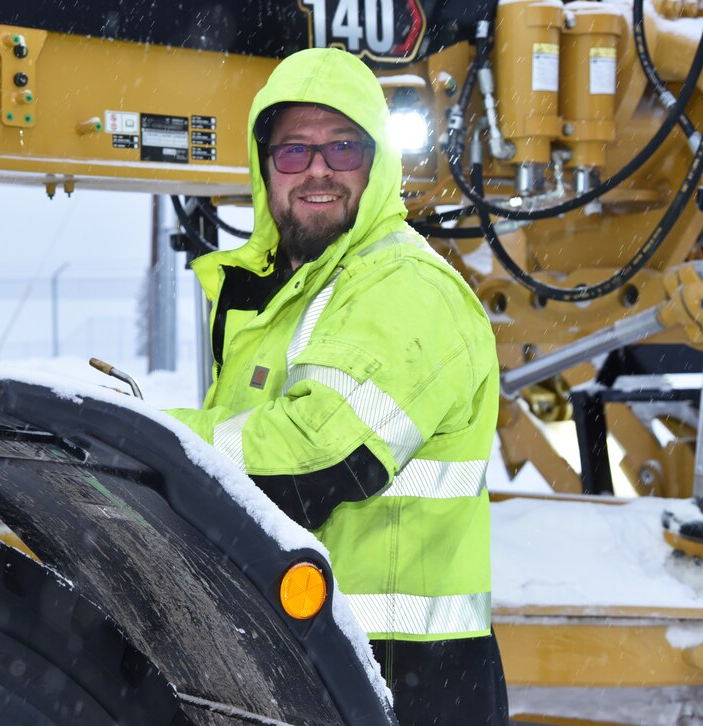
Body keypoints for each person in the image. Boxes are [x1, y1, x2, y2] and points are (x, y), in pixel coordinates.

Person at [167, 48, 509, 724]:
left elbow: (311, 463)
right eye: (294, 151)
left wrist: (153, 438)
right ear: (264, 168)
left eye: (343, 148)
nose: (318, 169)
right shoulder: (283, 301)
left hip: (405, 682)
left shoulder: (404, 288)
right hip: (308, 659)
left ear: (377, 163)